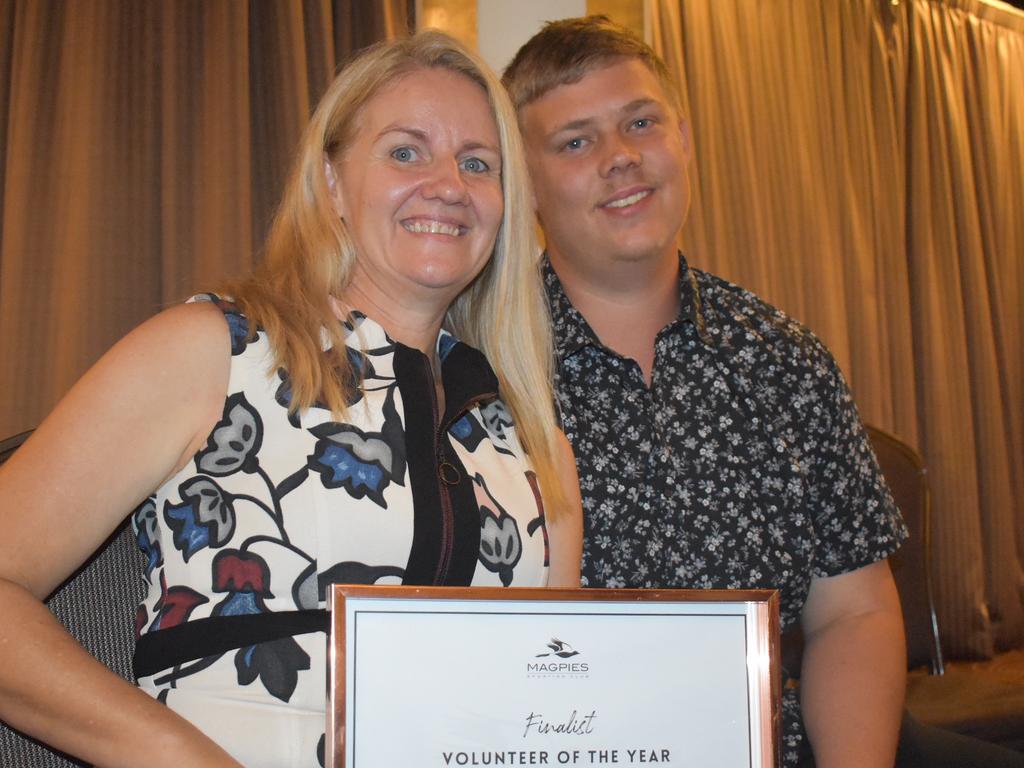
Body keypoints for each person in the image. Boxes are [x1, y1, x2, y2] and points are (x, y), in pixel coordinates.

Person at [0, 31, 582, 768]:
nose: (448, 184)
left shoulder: (536, 448)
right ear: (332, 183)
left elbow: (552, 702)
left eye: (478, 164)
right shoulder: (214, 353)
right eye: (405, 152)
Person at [502, 17, 908, 768]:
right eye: (575, 141)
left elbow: (855, 609)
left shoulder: (787, 361)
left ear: (683, 137)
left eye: (641, 123)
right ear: (524, 180)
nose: (620, 158)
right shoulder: (478, 373)